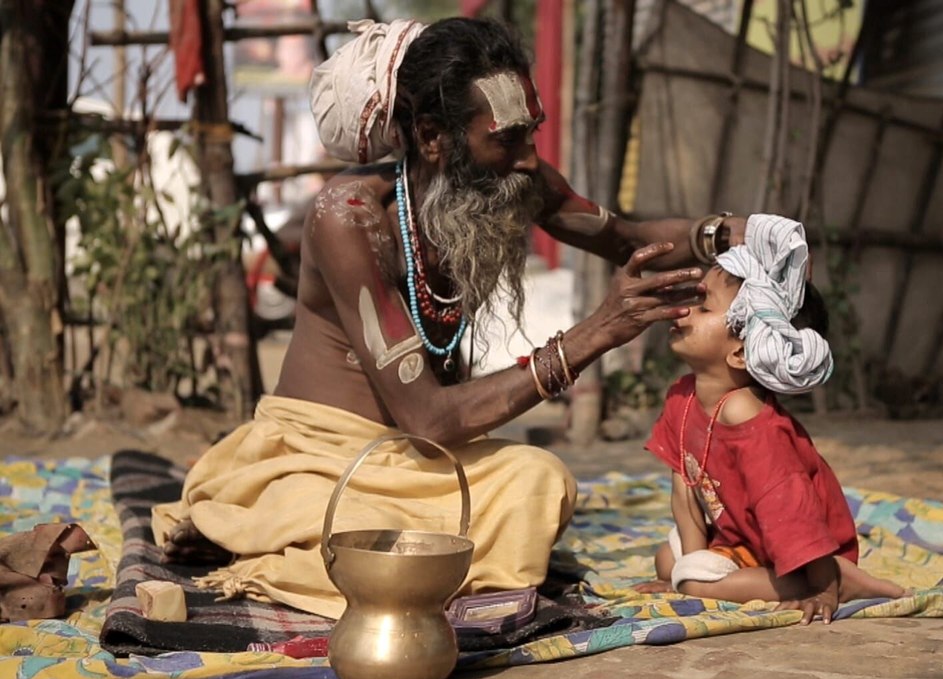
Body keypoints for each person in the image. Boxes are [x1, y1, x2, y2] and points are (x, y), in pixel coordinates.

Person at [152, 16, 748, 619]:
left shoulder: (519, 178)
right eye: (508, 139)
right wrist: (594, 336)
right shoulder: (350, 219)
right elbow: (429, 416)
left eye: (532, 134)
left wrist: (728, 232)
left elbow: (628, 239)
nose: (528, 159)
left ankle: (339, 548)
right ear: (433, 137)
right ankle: (267, 535)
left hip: (423, 460)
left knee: (540, 480)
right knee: (360, 531)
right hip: (323, 455)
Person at [636, 214, 906, 625]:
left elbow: (789, 504)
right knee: (667, 560)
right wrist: (688, 565)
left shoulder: (747, 418)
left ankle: (836, 576)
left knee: (692, 583)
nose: (684, 311)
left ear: (742, 352)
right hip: (741, 539)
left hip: (801, 549)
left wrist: (820, 585)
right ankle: (705, 575)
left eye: (703, 306)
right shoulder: (682, 399)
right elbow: (685, 493)